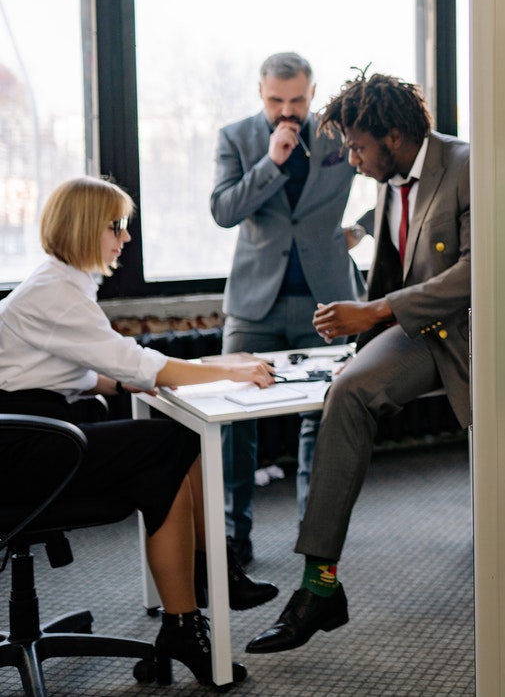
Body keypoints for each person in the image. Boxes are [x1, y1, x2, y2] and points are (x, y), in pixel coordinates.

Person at [0, 176, 280, 687]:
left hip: (40, 429)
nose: (125, 238)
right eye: (117, 226)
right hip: (22, 449)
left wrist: (196, 368)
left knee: (171, 445)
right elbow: (136, 363)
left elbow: (97, 370)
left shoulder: (63, 283)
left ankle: (189, 612)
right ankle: (200, 594)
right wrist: (230, 371)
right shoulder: (56, 293)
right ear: (86, 227)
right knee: (168, 445)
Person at [246, 71, 471, 654]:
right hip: (414, 328)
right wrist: (362, 330)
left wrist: (371, 315)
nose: (350, 157)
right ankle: (320, 584)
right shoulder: (390, 176)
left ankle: (318, 589)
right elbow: (399, 261)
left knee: (346, 393)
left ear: (394, 136)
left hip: (463, 333)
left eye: (357, 146)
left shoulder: (467, 164)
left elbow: (475, 275)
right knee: (340, 389)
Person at [211, 52, 367, 566]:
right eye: (277, 99)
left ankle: (314, 535)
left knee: (321, 420)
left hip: (327, 298)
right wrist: (272, 163)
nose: (288, 110)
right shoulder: (237, 138)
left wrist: (360, 228)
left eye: (298, 99)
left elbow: (392, 179)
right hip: (255, 304)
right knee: (234, 422)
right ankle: (235, 535)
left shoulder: (337, 134)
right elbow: (224, 210)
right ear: (260, 92)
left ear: (313, 91)